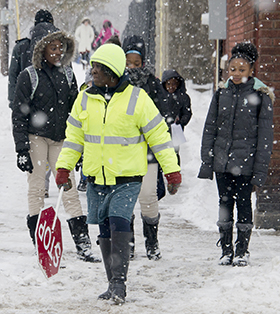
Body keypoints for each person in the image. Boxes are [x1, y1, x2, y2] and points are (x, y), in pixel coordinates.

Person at [55, 43, 181, 304]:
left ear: (112, 71)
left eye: (98, 69)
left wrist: (171, 171)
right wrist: (64, 166)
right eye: (92, 68)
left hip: (127, 178)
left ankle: (120, 284)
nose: (93, 74)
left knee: (118, 221)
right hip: (96, 178)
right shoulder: (84, 98)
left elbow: (159, 136)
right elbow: (74, 137)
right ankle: (111, 282)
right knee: (103, 229)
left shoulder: (137, 99)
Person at [11, 22, 100, 263]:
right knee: (37, 188)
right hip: (36, 138)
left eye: (60, 47)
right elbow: (19, 115)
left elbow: (76, 110)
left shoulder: (68, 73)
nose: (58, 52)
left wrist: (79, 147)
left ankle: (83, 244)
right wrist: (21, 149)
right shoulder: (28, 76)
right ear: (41, 49)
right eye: (52, 47)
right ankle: (40, 240)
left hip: (61, 139)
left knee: (68, 189)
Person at [198, 42, 274, 267]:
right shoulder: (221, 94)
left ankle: (242, 250)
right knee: (224, 206)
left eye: (242, 69)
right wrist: (207, 159)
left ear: (251, 71)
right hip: (222, 163)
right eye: (233, 69)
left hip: (245, 165)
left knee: (243, 205)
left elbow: (265, 140)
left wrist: (259, 172)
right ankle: (226, 249)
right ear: (227, 71)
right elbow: (209, 128)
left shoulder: (261, 97)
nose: (237, 73)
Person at [122, 35, 168, 260]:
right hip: (122, 151)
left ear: (143, 61)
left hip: (147, 150)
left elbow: (162, 114)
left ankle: (152, 241)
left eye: (136, 63)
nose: (131, 67)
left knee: (148, 195)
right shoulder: (116, 82)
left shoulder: (152, 83)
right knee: (126, 198)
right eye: (127, 62)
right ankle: (128, 243)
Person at [8, 9, 54, 198]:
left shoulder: (21, 47)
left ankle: (37, 183)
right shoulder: (55, 45)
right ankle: (43, 182)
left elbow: (12, 77)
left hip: (26, 103)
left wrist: (14, 102)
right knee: (52, 143)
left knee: (33, 145)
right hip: (50, 104)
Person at [161, 69, 192, 165]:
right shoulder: (161, 97)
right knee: (161, 152)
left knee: (174, 152)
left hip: (175, 130)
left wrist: (182, 121)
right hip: (161, 129)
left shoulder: (183, 97)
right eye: (168, 84)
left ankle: (175, 172)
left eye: (174, 84)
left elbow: (187, 113)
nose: (171, 87)